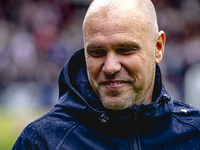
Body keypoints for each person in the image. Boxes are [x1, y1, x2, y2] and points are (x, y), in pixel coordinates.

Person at [12, 0, 200, 149]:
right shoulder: (41, 142)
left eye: (126, 50)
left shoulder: (195, 133)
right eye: (97, 52)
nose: (110, 67)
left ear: (158, 47)